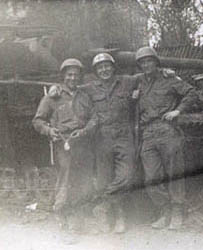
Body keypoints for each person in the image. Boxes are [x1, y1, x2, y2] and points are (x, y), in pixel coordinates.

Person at [134, 46, 199, 230]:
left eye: (150, 61)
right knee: (151, 178)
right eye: (143, 62)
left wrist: (178, 110)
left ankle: (177, 212)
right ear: (140, 65)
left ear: (156, 63)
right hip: (148, 133)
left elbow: (191, 92)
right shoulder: (138, 82)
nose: (147, 65)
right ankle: (165, 211)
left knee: (174, 173)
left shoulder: (168, 78)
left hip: (167, 129)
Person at [32, 58, 97, 217]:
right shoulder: (52, 97)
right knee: (66, 178)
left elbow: (94, 118)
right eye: (69, 75)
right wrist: (49, 131)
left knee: (86, 178)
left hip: (83, 143)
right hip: (64, 144)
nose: (73, 78)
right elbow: (37, 120)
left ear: (80, 77)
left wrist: (85, 131)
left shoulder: (84, 96)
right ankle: (61, 215)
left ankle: (81, 215)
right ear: (63, 76)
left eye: (76, 75)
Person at [82, 53, 137, 233]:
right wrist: (55, 90)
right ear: (96, 71)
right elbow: (71, 89)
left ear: (113, 67)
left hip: (123, 136)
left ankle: (103, 206)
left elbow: (147, 76)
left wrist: (167, 71)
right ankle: (113, 218)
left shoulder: (127, 82)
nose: (104, 70)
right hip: (102, 138)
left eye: (107, 66)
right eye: (100, 67)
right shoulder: (90, 88)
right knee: (104, 179)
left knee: (126, 176)